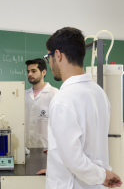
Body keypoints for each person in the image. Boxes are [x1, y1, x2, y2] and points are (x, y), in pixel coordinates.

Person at [43, 27, 122, 188]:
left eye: (48, 57)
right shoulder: (99, 93)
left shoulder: (62, 99)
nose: (49, 63)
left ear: (57, 55)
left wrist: (102, 176)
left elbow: (73, 159)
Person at [25, 58, 58, 151]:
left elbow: (61, 125)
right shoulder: (23, 95)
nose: (30, 74)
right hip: (25, 150)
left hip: (47, 150)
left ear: (44, 72)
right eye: (28, 71)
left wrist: (56, 147)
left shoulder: (54, 94)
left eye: (33, 71)